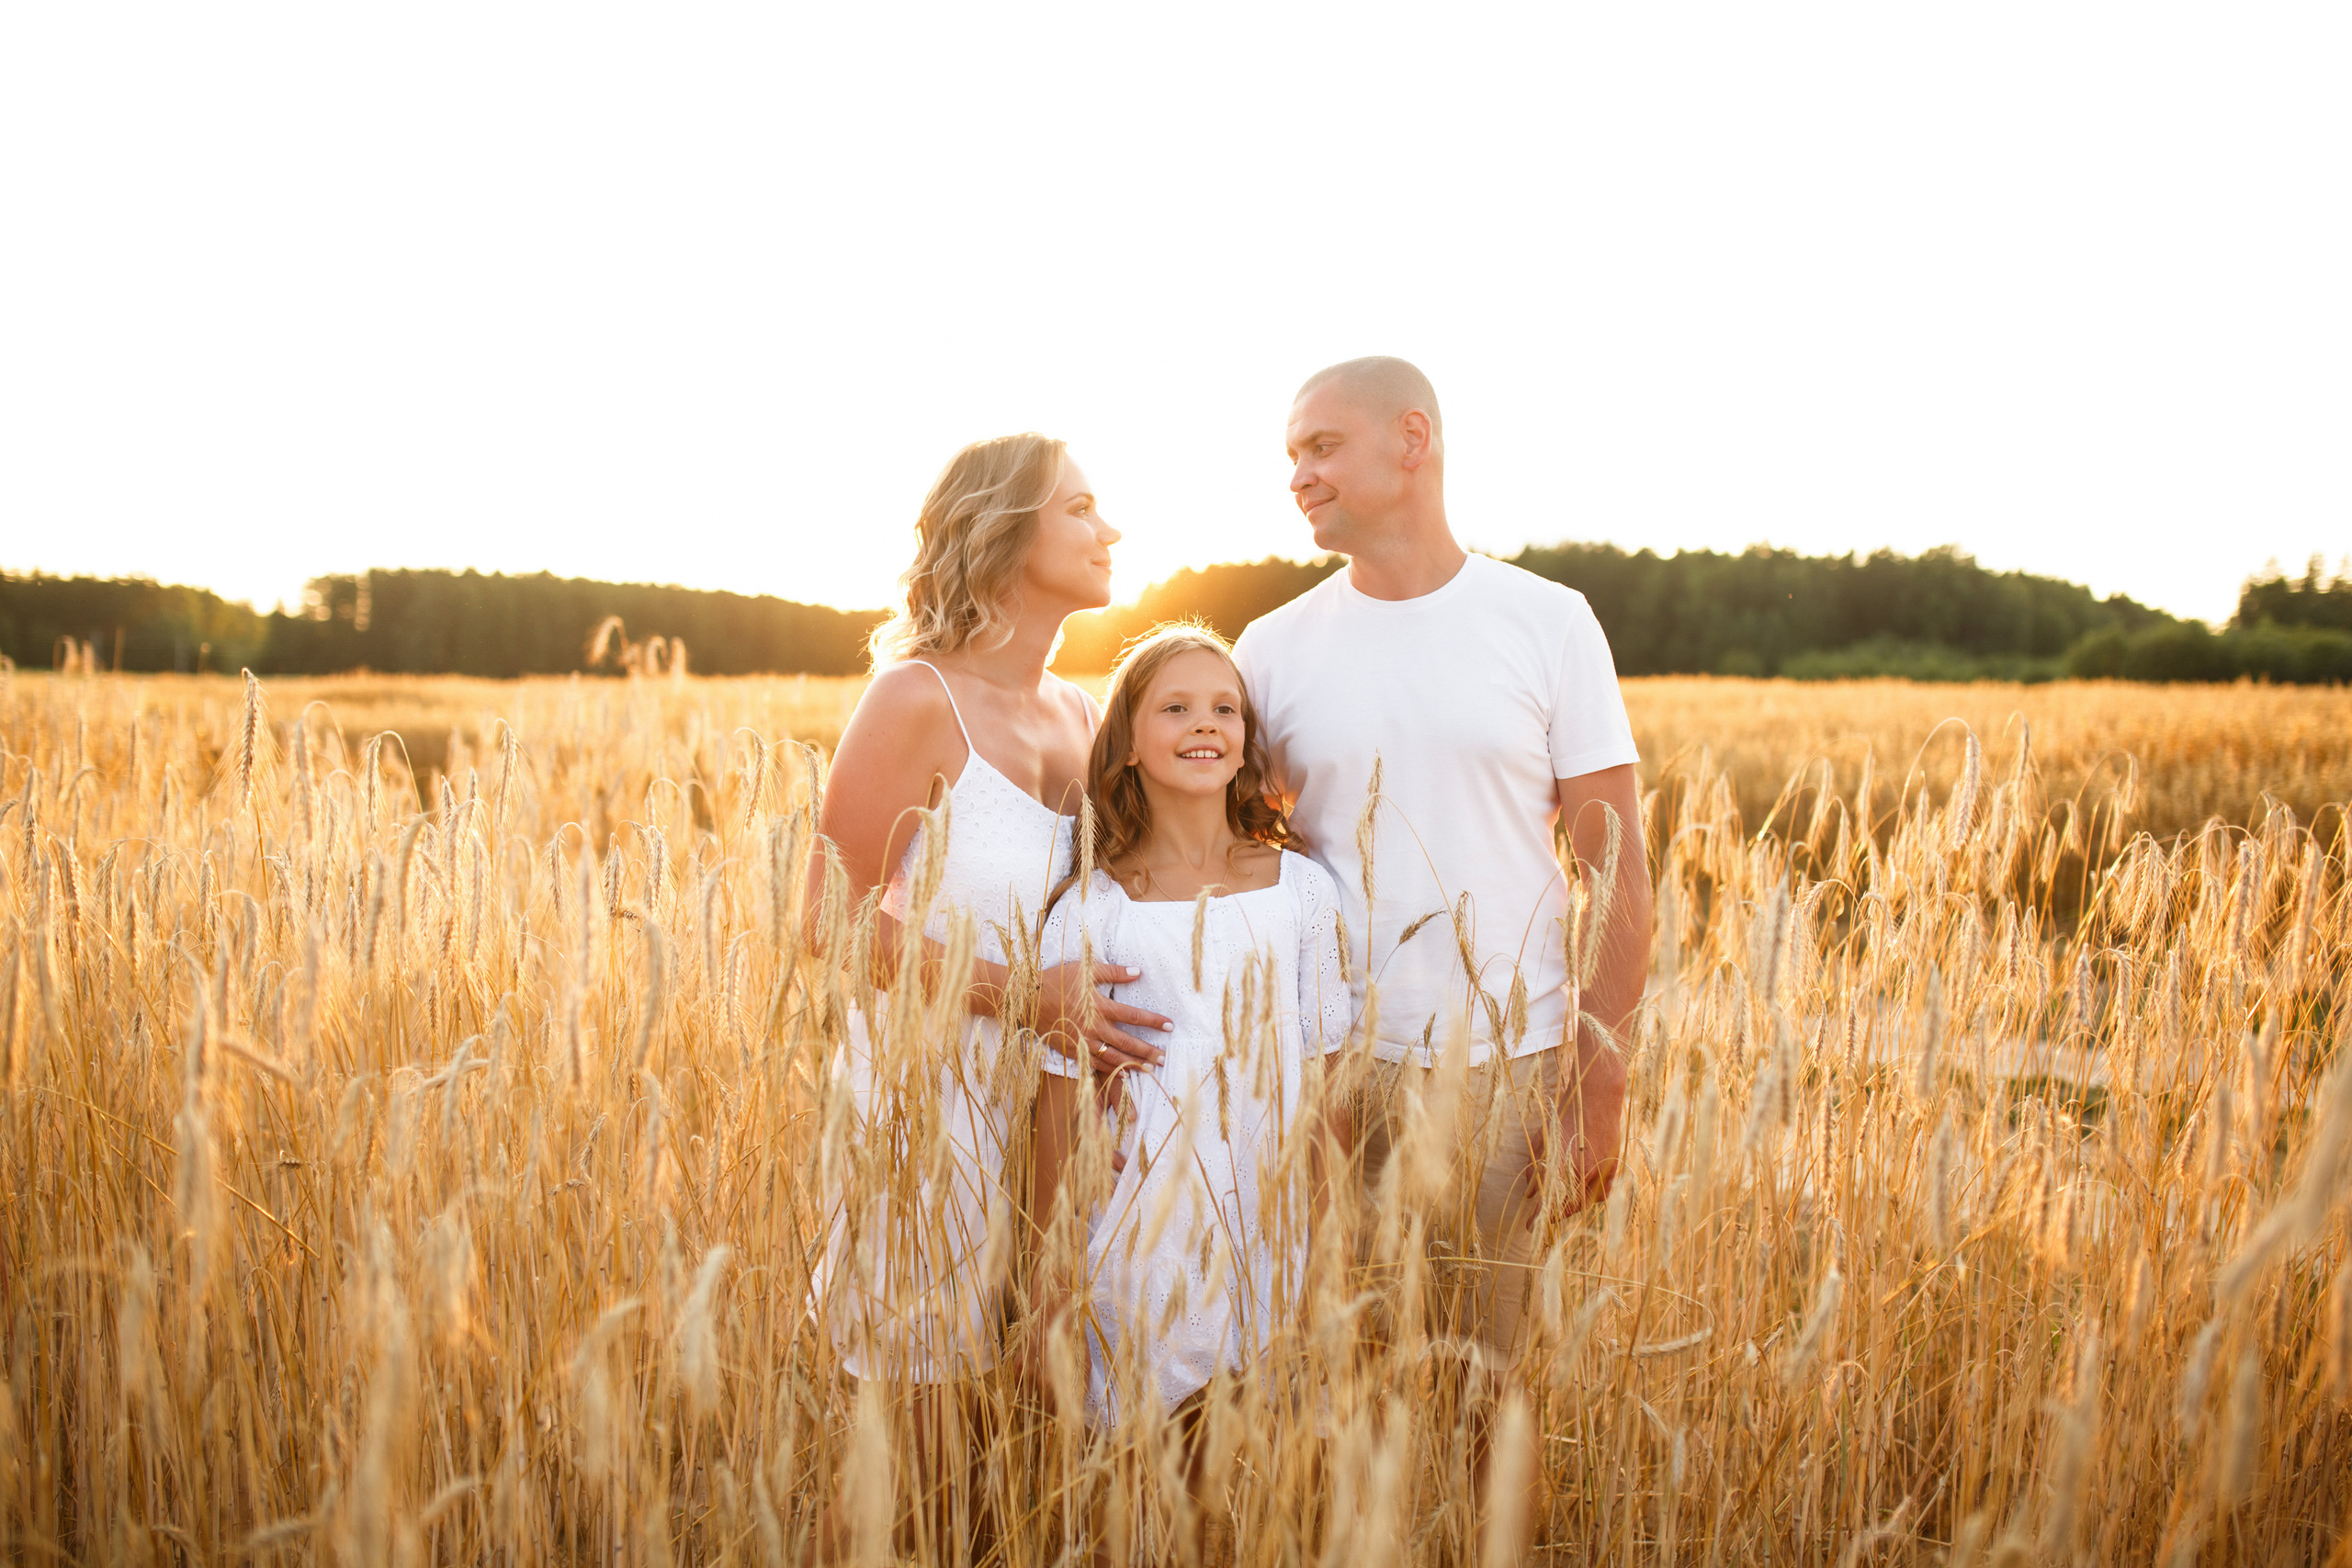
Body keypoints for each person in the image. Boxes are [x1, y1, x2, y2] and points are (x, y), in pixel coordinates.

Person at [1231, 356, 1654, 1363]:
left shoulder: (1548, 622)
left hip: (1511, 1065)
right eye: (1292, 456)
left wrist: (1597, 1089)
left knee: (1488, 1395)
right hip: (1333, 1072)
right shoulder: (1269, 648)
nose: (1299, 475)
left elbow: (1616, 868)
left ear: (1411, 441)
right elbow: (1230, 860)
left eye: (1321, 446)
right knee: (1339, 1387)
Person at [805, 433, 1175, 1557]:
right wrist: (1022, 995)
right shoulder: (916, 701)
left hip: (1065, 1115)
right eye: (1081, 508)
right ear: (1007, 532)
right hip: (929, 1114)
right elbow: (823, 921)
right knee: (910, 1462)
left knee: (1015, 1451)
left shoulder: (1080, 711)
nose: (1110, 530)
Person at [1027, 625, 1348, 1525]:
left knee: (1247, 1492)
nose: (1205, 725)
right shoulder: (1093, 908)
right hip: (1137, 1235)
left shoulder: (1300, 893)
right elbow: (1063, 1106)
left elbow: (1323, 1088)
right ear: (1127, 742)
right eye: (1175, 708)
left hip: (1267, 1228)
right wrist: (1052, 1286)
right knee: (1136, 1495)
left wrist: (1330, 1248)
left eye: (1224, 709)